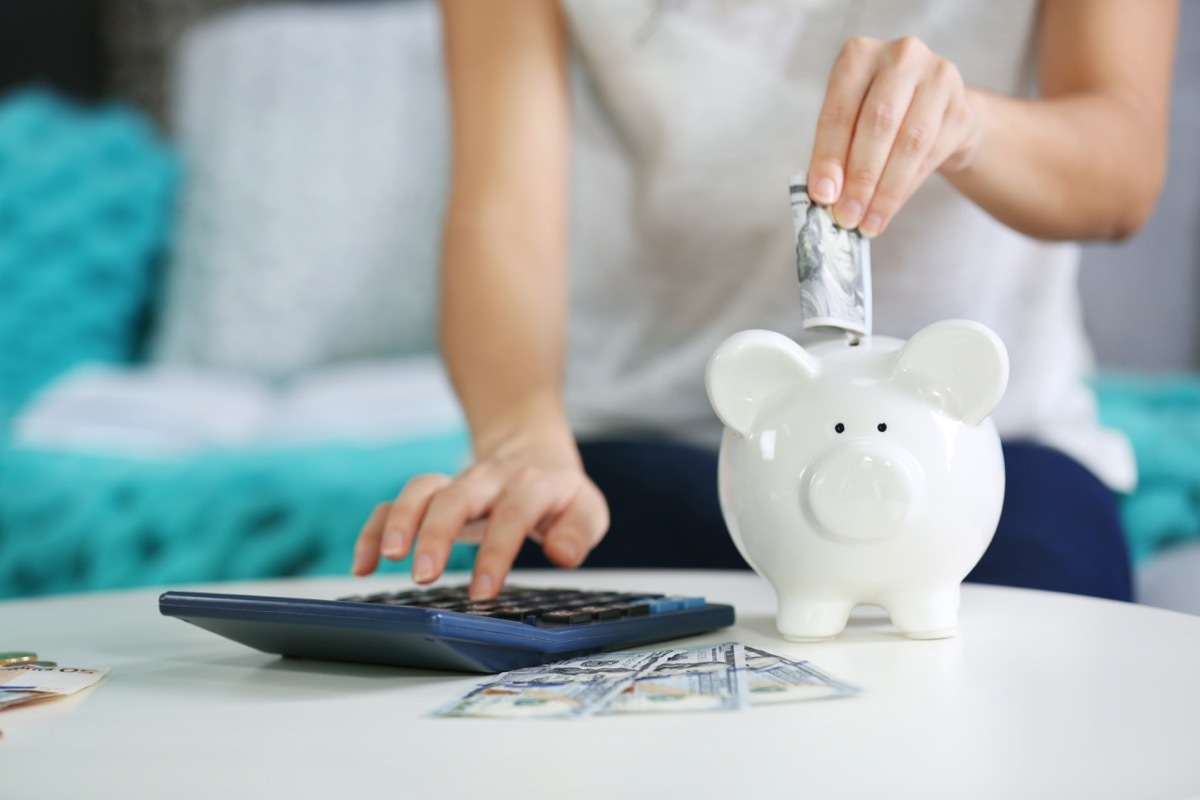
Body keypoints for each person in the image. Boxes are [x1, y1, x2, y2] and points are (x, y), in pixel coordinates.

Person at [352, 0, 1179, 604]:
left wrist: (970, 128)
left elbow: (1122, 168)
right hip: (637, 448)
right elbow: (504, 210)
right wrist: (519, 435)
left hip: (986, 449)